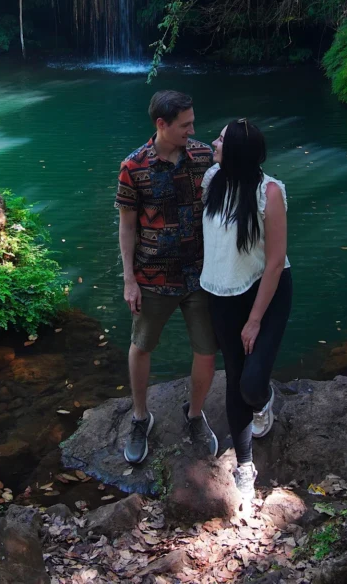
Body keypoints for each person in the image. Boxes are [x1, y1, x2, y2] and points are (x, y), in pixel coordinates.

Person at [115, 90, 219, 464]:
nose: (192, 130)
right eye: (185, 125)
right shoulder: (133, 167)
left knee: (207, 350)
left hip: (202, 276)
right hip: (152, 275)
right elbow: (127, 227)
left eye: (192, 123)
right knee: (141, 346)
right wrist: (129, 280)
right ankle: (141, 417)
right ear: (162, 124)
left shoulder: (205, 157)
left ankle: (194, 416)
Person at [200, 118, 292, 501]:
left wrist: (254, 320)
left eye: (220, 139)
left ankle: (264, 398)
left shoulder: (268, 192)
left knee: (251, 386)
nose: (213, 143)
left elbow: (274, 262)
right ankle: (245, 465)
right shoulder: (212, 180)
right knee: (235, 378)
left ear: (236, 151)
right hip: (220, 296)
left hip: (265, 294)